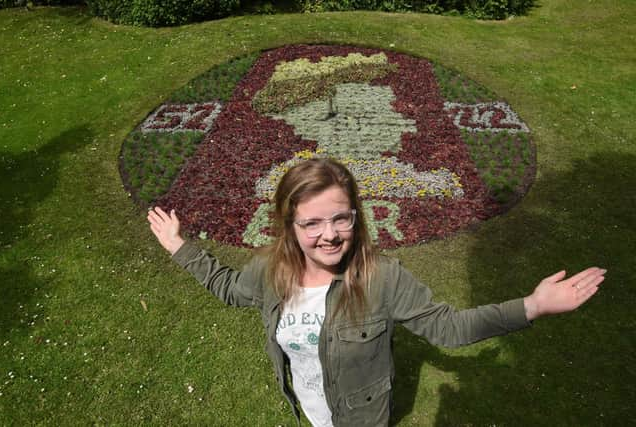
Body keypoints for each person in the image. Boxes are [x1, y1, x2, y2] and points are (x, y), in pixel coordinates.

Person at [147, 158, 605, 427]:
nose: (329, 235)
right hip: (310, 410)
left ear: (356, 218)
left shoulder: (383, 278)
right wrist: (179, 247)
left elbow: (448, 329)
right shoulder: (270, 270)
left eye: (341, 218)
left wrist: (534, 305)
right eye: (311, 223)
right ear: (289, 226)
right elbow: (229, 289)